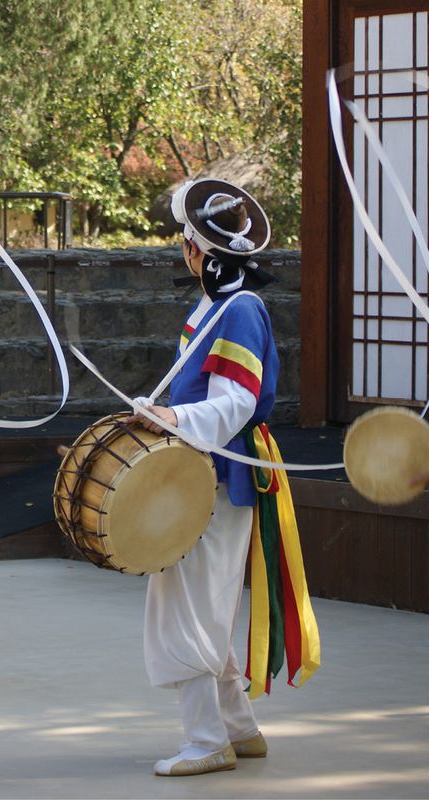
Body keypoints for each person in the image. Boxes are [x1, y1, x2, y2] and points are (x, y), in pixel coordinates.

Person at [130, 178, 319, 776]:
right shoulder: (220, 305)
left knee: (190, 606)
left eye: (186, 241)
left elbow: (234, 403)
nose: (182, 251)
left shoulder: (240, 309)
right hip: (201, 468)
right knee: (200, 602)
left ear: (203, 252)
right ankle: (239, 727)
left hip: (218, 471)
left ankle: (206, 739)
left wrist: (175, 416)